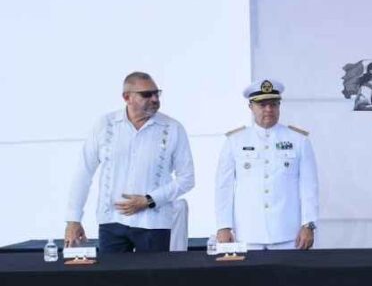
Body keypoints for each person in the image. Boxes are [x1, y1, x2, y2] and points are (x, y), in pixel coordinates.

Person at [65, 72, 195, 253]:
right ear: (127, 97)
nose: (155, 99)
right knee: (112, 280)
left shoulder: (173, 128)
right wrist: (73, 219)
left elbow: (187, 178)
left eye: (157, 93)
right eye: (147, 94)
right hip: (111, 221)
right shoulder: (105, 125)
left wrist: (149, 200)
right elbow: (84, 172)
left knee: (154, 280)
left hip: (153, 223)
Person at [216, 80, 318, 250]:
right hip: (248, 232)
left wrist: (309, 225)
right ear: (251, 107)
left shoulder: (299, 140)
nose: (269, 110)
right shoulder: (235, 141)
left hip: (288, 232)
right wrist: (223, 226)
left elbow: (309, 186)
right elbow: (223, 187)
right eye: (262, 105)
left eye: (273, 104)